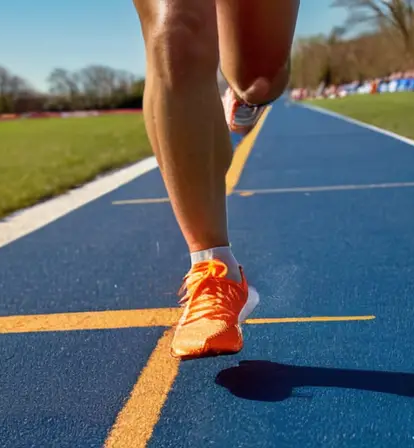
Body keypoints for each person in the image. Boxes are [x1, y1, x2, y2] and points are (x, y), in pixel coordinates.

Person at [130, 0, 300, 359]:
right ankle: (215, 270)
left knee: (260, 75)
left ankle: (244, 101)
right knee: (175, 32)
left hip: (255, 81)